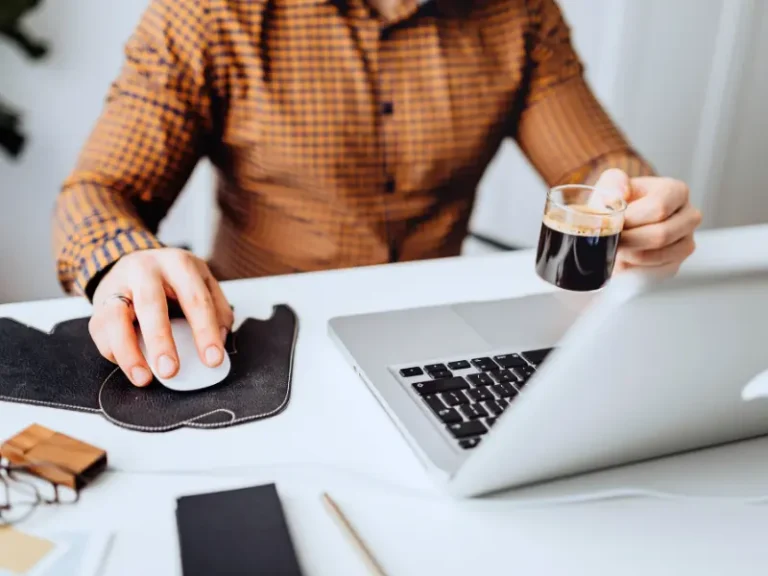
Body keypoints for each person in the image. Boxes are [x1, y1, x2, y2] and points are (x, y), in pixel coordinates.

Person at [51, 0, 702, 387]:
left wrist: (637, 200)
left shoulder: (520, 12)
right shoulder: (210, 13)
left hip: (442, 344)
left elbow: (595, 161)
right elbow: (101, 190)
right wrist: (122, 259)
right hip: (258, 347)